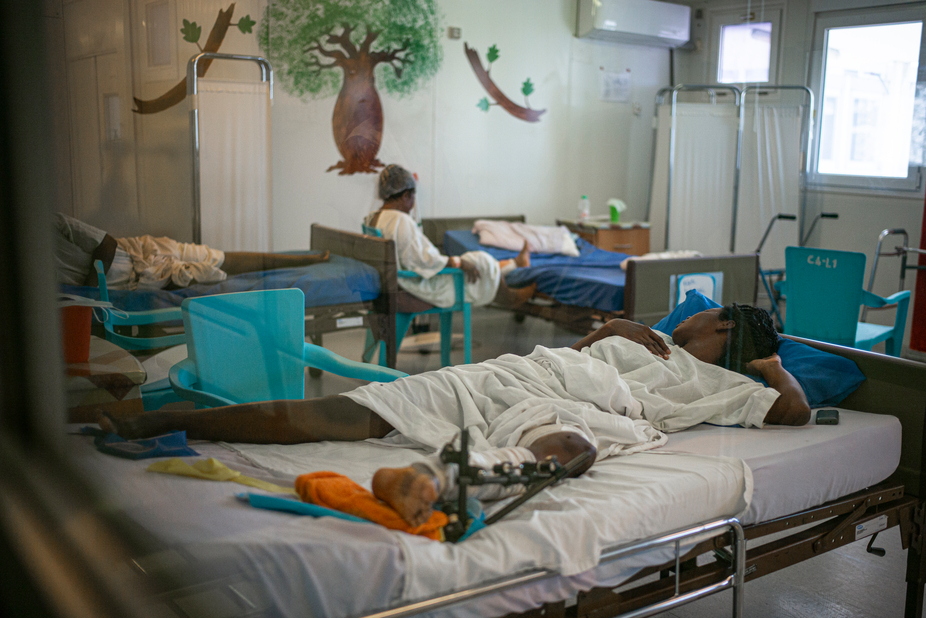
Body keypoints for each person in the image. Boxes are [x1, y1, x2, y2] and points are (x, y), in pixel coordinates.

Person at [101, 303, 809, 527]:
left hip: (573, 406)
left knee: (572, 447)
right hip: (508, 374)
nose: (692, 317)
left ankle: (445, 481)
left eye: (709, 316)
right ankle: (162, 421)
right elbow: (573, 350)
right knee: (344, 412)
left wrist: (772, 364)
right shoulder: (646, 334)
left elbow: (796, 413)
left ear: (726, 331)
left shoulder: (719, 381)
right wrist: (613, 329)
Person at [365, 165, 534, 310]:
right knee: (478, 261)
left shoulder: (373, 218)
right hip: (415, 285)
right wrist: (458, 262)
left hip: (395, 281)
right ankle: (509, 297)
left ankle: (516, 264)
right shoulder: (400, 220)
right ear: (406, 196)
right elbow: (423, 261)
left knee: (478, 261)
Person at [54, 213, 330, 291]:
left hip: (141, 252)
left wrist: (89, 293)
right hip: (140, 277)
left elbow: (107, 244)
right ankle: (306, 259)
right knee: (216, 270)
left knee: (224, 259)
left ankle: (306, 259)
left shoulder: (50, 223)